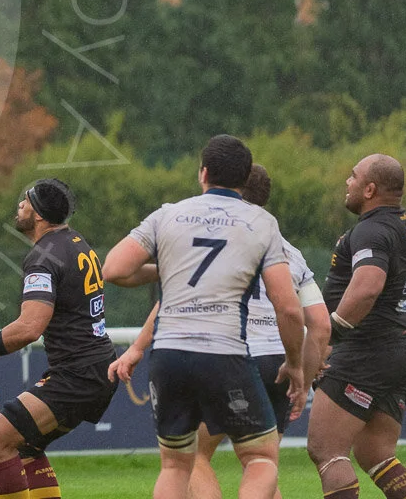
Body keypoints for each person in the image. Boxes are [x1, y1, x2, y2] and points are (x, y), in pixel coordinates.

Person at [102, 135, 305, 499]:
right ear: (245, 178)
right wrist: (294, 363)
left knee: (175, 465)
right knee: (260, 458)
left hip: (168, 355)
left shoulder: (167, 214)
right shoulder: (262, 222)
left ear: (203, 173)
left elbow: (114, 269)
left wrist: (168, 269)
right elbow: (288, 307)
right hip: (224, 352)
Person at [0, 178, 117, 499]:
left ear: (40, 215)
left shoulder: (44, 256)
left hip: (77, 375)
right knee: (26, 447)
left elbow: (29, 328)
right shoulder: (77, 242)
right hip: (96, 368)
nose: (19, 205)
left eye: (26, 201)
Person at [177, 165, 329, 499]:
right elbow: (321, 325)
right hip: (278, 363)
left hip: (233, 358)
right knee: (262, 465)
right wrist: (303, 379)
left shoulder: (214, 240)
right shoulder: (290, 253)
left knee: (191, 455)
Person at [305, 154, 406, 499]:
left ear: (369, 189)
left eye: (353, 176)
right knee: (375, 453)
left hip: (364, 352)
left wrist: (330, 335)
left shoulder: (372, 229)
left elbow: (368, 287)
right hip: (396, 350)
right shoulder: (403, 225)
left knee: (326, 450)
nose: (348, 182)